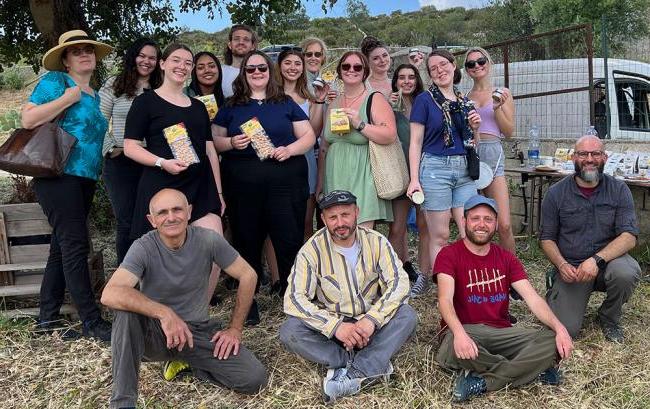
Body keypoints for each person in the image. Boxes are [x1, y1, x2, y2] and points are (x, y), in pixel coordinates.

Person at [101, 189, 267, 409]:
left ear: (189, 212)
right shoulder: (143, 246)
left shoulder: (208, 240)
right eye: (162, 213)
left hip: (196, 332)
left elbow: (248, 275)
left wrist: (235, 329)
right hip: (156, 333)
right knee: (125, 310)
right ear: (152, 220)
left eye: (177, 209)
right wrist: (165, 313)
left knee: (254, 378)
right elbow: (110, 293)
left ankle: (192, 364)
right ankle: (123, 403)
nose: (171, 217)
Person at [280, 190, 416, 404]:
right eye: (333, 217)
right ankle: (370, 364)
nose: (340, 222)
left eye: (345, 215)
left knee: (407, 315)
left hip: (372, 324)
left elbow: (399, 282)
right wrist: (336, 327)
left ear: (357, 213)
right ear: (323, 219)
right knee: (289, 331)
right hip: (334, 330)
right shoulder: (311, 251)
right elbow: (295, 299)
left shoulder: (376, 241)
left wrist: (371, 319)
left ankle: (353, 373)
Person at [434, 195, 573, 402]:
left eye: (488, 219)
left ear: (496, 224)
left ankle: (483, 381)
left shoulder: (506, 258)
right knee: (451, 344)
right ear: (464, 222)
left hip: (501, 333)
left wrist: (560, 329)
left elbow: (532, 298)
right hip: (465, 331)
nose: (482, 224)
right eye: (475, 218)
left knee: (550, 339)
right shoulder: (449, 255)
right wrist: (460, 334)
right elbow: (444, 300)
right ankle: (531, 369)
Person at [22, 29, 114, 342]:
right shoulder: (57, 83)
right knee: (75, 245)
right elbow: (28, 120)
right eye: (77, 51)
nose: (85, 54)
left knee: (61, 248)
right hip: (58, 175)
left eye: (89, 49)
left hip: (84, 178)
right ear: (65, 59)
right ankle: (91, 321)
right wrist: (65, 99)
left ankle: (47, 319)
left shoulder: (96, 94)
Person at [212, 50, 316, 323]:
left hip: (285, 183)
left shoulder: (285, 102)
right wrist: (232, 143)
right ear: (243, 74)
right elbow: (214, 141)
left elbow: (308, 135)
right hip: (243, 186)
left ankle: (293, 297)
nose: (257, 73)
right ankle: (249, 301)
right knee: (247, 240)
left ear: (270, 72)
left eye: (262, 69)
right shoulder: (231, 106)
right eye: (251, 69)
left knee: (289, 238)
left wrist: (290, 149)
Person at [124, 43, 225, 307]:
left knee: (214, 246)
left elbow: (209, 151)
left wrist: (219, 192)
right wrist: (162, 162)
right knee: (157, 254)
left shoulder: (197, 107)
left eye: (187, 63)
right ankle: (158, 314)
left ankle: (196, 312)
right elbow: (130, 147)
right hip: (161, 185)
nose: (182, 66)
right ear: (163, 64)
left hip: (199, 185)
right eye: (176, 60)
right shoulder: (145, 101)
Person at [540, 135, 641, 343]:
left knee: (626, 272)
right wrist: (561, 264)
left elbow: (629, 237)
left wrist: (596, 260)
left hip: (608, 262)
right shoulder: (556, 193)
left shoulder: (619, 190)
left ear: (604, 157)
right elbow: (547, 238)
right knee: (567, 330)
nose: (589, 159)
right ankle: (556, 284)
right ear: (573, 158)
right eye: (582, 154)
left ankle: (609, 317)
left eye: (595, 153)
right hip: (573, 268)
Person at [406, 49, 481, 297]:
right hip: (435, 168)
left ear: (453, 65)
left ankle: (467, 286)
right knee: (439, 235)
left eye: (443, 64)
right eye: (433, 68)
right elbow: (415, 142)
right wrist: (414, 179)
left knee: (468, 230)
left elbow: (472, 143)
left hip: (463, 169)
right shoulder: (425, 101)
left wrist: (475, 128)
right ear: (429, 75)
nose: (439, 70)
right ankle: (445, 292)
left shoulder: (464, 101)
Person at [316, 51, 397, 228]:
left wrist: (360, 124)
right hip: (334, 176)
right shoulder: (334, 102)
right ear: (339, 71)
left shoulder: (374, 99)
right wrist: (320, 184)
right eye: (346, 66)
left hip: (363, 176)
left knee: (362, 236)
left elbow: (390, 134)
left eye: (357, 67)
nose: (351, 70)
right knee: (338, 233)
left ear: (365, 72)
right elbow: (324, 146)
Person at [100, 37, 162, 265]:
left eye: (152, 58)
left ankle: (153, 277)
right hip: (122, 164)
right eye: (142, 56)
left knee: (153, 219)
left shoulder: (161, 88)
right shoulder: (115, 84)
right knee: (126, 221)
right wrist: (112, 149)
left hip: (154, 162)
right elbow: (97, 121)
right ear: (132, 57)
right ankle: (126, 281)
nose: (147, 61)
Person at [464, 47, 516, 253]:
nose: (477, 66)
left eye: (481, 61)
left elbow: (509, 131)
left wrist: (496, 108)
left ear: (488, 63)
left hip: (494, 154)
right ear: (467, 70)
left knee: (503, 224)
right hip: (472, 154)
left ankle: (513, 275)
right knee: (475, 224)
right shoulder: (464, 96)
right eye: (471, 64)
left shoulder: (502, 93)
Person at [387, 64, 430, 282]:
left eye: (411, 77)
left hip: (425, 171)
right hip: (400, 171)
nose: (406, 81)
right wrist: (390, 108)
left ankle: (426, 274)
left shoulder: (425, 102)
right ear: (395, 81)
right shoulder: (389, 104)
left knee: (425, 224)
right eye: (401, 77)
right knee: (397, 227)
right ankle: (393, 275)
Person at [221, 24, 258, 98]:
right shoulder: (219, 72)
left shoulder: (261, 71)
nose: (241, 42)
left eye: (246, 39)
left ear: (253, 46)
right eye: (236, 39)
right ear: (230, 45)